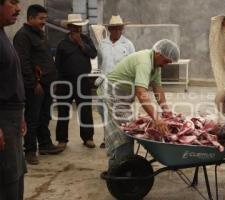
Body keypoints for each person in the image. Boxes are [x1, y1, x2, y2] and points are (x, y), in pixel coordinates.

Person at [97, 39, 179, 168]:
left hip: (121, 99)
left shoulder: (156, 65)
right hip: (110, 95)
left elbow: (158, 89)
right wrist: (156, 118)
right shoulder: (144, 61)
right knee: (123, 135)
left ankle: (122, 166)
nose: (167, 64)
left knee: (127, 130)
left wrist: (166, 110)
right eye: (166, 61)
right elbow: (141, 92)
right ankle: (119, 172)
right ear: (159, 54)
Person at [13, 4, 63, 165]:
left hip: (47, 83)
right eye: (41, 19)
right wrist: (34, 83)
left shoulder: (40, 35)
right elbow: (23, 63)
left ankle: (45, 145)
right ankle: (29, 151)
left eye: (45, 19)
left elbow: (46, 58)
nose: (43, 22)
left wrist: (52, 80)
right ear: (30, 18)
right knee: (32, 117)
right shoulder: (23, 36)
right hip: (36, 85)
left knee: (44, 116)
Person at [55, 14, 97, 149]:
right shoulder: (62, 43)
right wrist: (56, 82)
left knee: (85, 109)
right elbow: (58, 65)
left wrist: (80, 43)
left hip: (83, 81)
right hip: (65, 82)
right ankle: (62, 140)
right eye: (74, 27)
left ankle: (88, 138)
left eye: (79, 27)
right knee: (63, 110)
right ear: (70, 28)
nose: (77, 29)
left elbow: (93, 54)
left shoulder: (86, 40)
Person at [0, 0, 27, 199]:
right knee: (7, 176)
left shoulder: (3, 34)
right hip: (3, 119)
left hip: (13, 117)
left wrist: (21, 114)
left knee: (17, 173)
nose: (18, 8)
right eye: (12, 2)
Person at [97, 15, 135, 148]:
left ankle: (121, 138)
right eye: (114, 29)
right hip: (104, 83)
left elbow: (132, 65)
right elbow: (100, 62)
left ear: (122, 29)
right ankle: (107, 138)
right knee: (103, 111)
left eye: (120, 28)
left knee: (119, 112)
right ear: (109, 30)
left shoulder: (128, 44)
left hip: (120, 85)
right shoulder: (103, 44)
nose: (117, 31)